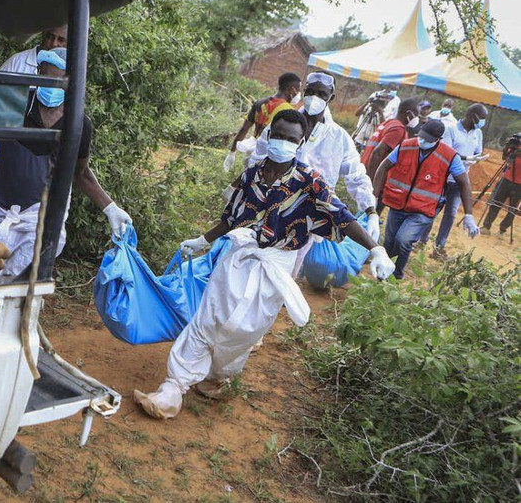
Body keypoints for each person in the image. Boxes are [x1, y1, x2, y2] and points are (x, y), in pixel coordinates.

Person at [133, 110, 394, 419]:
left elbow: (343, 218)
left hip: (276, 264)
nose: (283, 143)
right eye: (278, 135)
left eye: (291, 139)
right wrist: (203, 240)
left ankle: (218, 375)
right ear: (269, 136)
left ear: (300, 143)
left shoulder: (310, 181)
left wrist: (376, 249)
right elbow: (230, 218)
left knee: (243, 328)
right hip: (239, 254)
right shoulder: (251, 174)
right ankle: (172, 389)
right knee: (208, 318)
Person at [0, 48, 132, 277]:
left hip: (41, 212)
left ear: (71, 83)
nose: (49, 85)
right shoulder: (18, 104)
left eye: (56, 80)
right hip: (3, 206)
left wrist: (110, 208)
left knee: (25, 279)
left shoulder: (78, 124)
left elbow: (80, 173)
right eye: (44, 77)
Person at [250, 71, 380, 263]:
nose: (314, 98)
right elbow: (258, 159)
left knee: (288, 265)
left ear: (331, 97)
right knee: (253, 258)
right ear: (304, 91)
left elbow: (356, 176)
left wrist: (371, 211)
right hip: (269, 206)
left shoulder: (339, 138)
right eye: (310, 92)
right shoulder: (283, 124)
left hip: (305, 218)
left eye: (321, 94)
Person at [373, 119, 478, 278]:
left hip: (423, 210)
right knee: (389, 241)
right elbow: (383, 166)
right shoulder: (406, 146)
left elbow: (464, 183)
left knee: (403, 240)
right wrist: (374, 195)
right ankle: (382, 277)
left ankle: (396, 276)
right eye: (421, 137)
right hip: (398, 204)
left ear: (438, 139)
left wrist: (468, 214)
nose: (422, 141)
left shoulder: (449, 156)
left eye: (427, 139)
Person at [0, 25, 68, 189]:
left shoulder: (72, 72)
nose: (54, 43)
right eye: (50, 37)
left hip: (44, 166)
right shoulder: (17, 63)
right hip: (7, 154)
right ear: (43, 35)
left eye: (61, 40)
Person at [429, 104, 489, 259]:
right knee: (432, 210)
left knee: (450, 214)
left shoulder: (478, 133)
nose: (483, 122)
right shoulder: (451, 129)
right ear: (473, 116)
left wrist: (476, 158)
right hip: (443, 178)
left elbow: (478, 151)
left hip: (460, 181)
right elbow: (447, 152)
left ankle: (439, 247)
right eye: (482, 118)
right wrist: (466, 158)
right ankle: (420, 240)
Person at [222, 72, 301, 172]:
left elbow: (244, 128)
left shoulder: (260, 102)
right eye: (298, 90)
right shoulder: (288, 110)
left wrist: (232, 152)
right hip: (268, 156)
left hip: (251, 153)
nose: (298, 94)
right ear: (292, 90)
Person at [361, 97, 421, 186]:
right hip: (373, 175)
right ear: (407, 113)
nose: (416, 118)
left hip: (364, 169)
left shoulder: (389, 123)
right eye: (415, 114)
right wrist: (370, 183)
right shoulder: (398, 129)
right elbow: (377, 153)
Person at [482, 133, 519, 236]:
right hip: (506, 180)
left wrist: (517, 151)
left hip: (519, 185)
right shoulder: (515, 146)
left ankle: (503, 229)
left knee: (512, 209)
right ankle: (486, 226)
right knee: (495, 203)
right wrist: (508, 146)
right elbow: (504, 157)